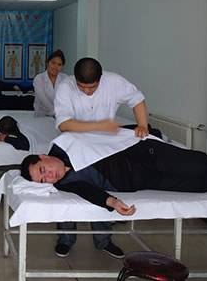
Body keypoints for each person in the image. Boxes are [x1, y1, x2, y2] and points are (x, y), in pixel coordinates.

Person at [50, 57, 149, 259]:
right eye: (82, 87)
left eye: (92, 87)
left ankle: (104, 240)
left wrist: (142, 125)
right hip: (74, 145)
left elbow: (137, 99)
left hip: (103, 148)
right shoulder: (65, 87)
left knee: (100, 189)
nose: (87, 91)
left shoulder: (114, 81)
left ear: (101, 79)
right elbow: (64, 124)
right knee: (69, 189)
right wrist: (100, 126)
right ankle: (65, 239)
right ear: (75, 79)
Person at [20, 138, 207, 214]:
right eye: (43, 180)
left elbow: (101, 134)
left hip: (142, 155)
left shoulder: (66, 145)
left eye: (43, 170)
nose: (49, 176)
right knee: (205, 185)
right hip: (139, 181)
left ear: (43, 156)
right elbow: (87, 191)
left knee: (202, 166)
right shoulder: (64, 183)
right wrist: (112, 202)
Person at [33, 50, 67, 117]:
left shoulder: (65, 78)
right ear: (47, 63)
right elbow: (44, 100)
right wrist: (57, 113)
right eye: (53, 63)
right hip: (42, 116)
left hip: (60, 117)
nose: (55, 67)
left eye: (59, 65)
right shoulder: (39, 78)